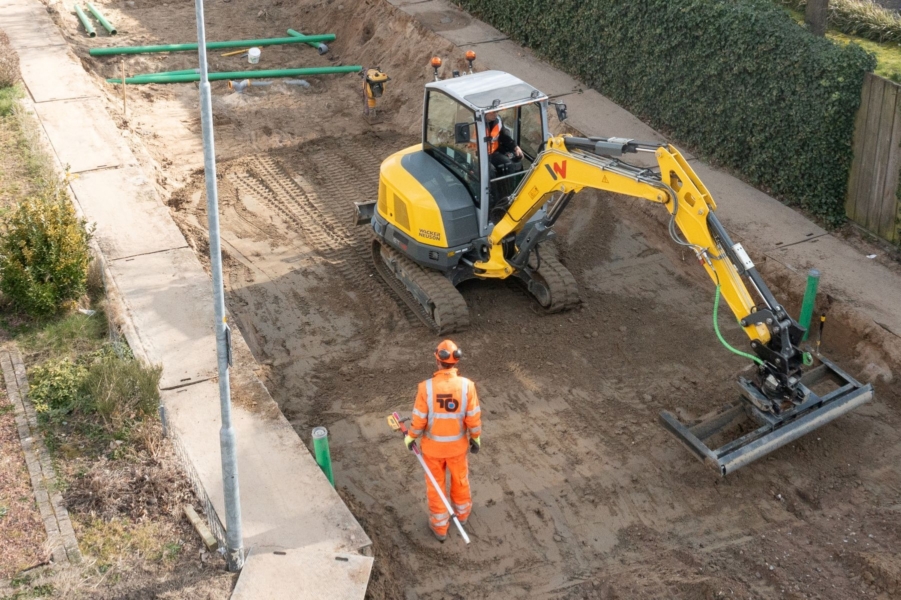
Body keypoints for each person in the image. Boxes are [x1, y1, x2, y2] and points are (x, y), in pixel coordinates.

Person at [405, 340, 482, 542]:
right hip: (458, 448)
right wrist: (475, 437)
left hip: (433, 450)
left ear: (437, 360)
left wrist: (410, 436)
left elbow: (419, 419)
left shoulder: (426, 388)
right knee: (460, 480)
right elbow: (473, 416)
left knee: (436, 486)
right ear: (456, 362)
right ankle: (463, 515)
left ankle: (440, 528)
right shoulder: (467, 386)